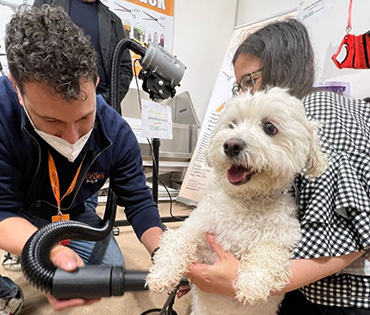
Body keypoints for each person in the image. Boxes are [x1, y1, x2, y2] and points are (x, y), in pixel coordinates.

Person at [186, 19, 370, 314]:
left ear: (281, 66)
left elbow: (355, 235)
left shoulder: (321, 112)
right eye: (239, 86)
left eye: (249, 80)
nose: (244, 94)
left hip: (334, 296)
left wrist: (237, 281)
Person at [0, 5, 163, 312]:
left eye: (84, 118)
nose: (73, 138)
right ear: (18, 91)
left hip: (65, 209)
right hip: (15, 206)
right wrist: (41, 253)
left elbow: (139, 201)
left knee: (107, 267)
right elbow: (1, 209)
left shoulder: (116, 131)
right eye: (53, 123)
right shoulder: (2, 113)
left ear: (95, 82)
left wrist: (164, 251)